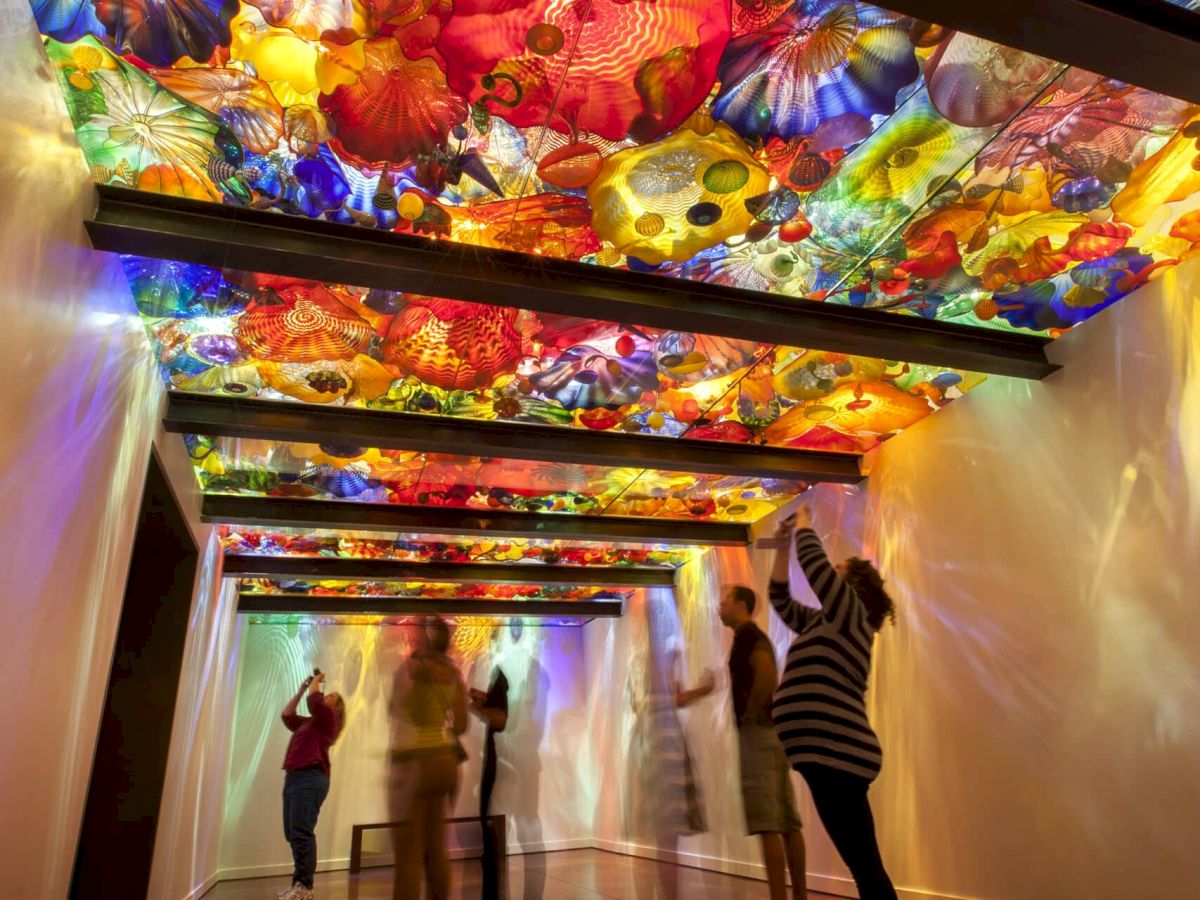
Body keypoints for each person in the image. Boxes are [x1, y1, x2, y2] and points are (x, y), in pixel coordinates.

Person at [768, 506, 897, 900]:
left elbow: (815, 568)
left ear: (854, 586)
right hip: (826, 757)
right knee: (862, 862)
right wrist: (780, 546)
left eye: (840, 571)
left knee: (864, 864)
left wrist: (806, 522)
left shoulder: (851, 613)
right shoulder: (824, 621)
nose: (833, 576)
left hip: (839, 756)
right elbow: (779, 598)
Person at [718, 585, 807, 900]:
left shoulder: (748, 638)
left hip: (759, 735)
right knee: (786, 819)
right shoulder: (753, 637)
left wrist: (752, 714)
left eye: (724, 600)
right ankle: (799, 895)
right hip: (774, 733)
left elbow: (768, 674)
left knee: (768, 820)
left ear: (740, 605)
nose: (719, 606)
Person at [388, 617, 467, 900]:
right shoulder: (453, 673)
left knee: (408, 856)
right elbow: (460, 726)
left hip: (413, 762)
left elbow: (397, 711)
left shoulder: (409, 668)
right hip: (445, 763)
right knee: (437, 851)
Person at [279, 671, 346, 900]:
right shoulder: (310, 723)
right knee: (292, 832)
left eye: (332, 697)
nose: (326, 697)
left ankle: (305, 887)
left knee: (301, 831)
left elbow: (315, 701)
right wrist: (301, 689)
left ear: (336, 708)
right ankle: (299, 883)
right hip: (294, 777)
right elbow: (287, 715)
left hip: (311, 777)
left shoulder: (330, 720)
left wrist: (316, 682)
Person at [469, 668, 509, 900]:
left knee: (487, 814)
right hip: (491, 760)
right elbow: (493, 708)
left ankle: (491, 860)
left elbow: (499, 718)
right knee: (485, 813)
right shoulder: (499, 688)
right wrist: (478, 699)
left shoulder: (501, 689)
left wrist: (476, 705)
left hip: (495, 761)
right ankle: (490, 859)